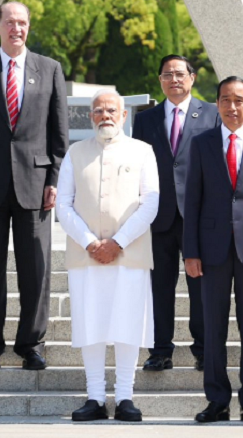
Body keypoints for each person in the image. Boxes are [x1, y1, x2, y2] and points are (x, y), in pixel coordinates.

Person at [0, 1, 69, 371]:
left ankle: (31, 343)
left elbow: (59, 134)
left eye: (22, 23)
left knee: (35, 269)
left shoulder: (50, 69)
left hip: (36, 185)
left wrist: (54, 180)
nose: (16, 29)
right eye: (10, 22)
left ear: (28, 27)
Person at [184, 77, 243, 424]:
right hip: (210, 249)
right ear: (217, 104)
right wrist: (190, 251)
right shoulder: (202, 142)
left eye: (239, 100)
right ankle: (217, 400)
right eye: (225, 100)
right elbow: (192, 199)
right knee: (213, 327)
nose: (232, 106)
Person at [57, 90, 159, 422]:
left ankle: (126, 397)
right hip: (86, 256)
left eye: (112, 110)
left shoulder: (143, 151)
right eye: (99, 111)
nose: (106, 116)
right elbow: (63, 205)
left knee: (128, 323)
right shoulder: (74, 153)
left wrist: (118, 242)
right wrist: (90, 242)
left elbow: (150, 203)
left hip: (130, 254)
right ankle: (96, 397)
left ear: (124, 114)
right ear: (91, 116)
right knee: (92, 324)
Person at [132, 55, 219, 372]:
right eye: (167, 75)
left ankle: (205, 349)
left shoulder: (211, 113)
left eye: (180, 74)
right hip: (159, 216)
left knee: (202, 287)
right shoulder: (145, 120)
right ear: (159, 81)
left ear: (192, 78)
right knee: (159, 288)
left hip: (200, 217)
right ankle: (159, 350)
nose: (174, 79)